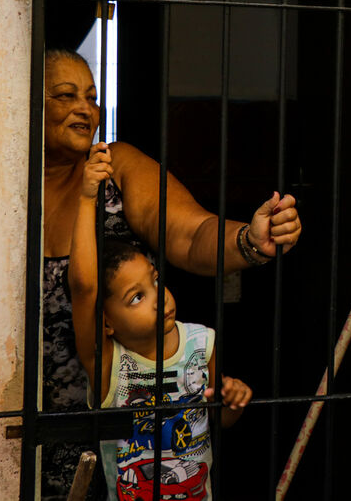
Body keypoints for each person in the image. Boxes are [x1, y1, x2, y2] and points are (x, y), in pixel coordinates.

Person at [42, 48, 302, 500]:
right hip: (17, 422)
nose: (86, 108)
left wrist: (250, 240)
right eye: (66, 95)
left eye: (92, 96)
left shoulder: (116, 167)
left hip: (129, 428)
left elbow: (190, 231)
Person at [70, 142, 251, 500]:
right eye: (136, 297)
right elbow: (83, 287)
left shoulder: (202, 343)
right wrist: (86, 198)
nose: (158, 297)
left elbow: (219, 421)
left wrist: (233, 403)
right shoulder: (109, 366)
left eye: (154, 280)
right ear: (106, 322)